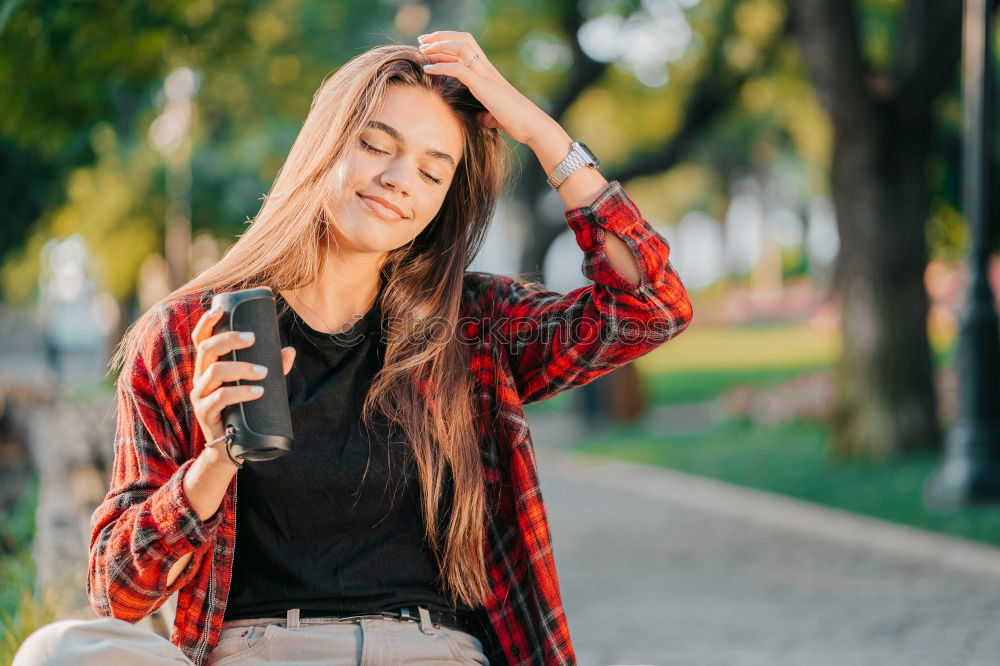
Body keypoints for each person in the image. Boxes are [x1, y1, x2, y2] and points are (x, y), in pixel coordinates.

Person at [14, 32, 692, 666]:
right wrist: (214, 460)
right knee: (58, 651)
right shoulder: (190, 333)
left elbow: (649, 308)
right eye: (377, 144)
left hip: (433, 652)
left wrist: (540, 132)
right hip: (261, 651)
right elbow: (119, 591)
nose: (401, 179)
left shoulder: (471, 326)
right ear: (326, 145)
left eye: (434, 171)